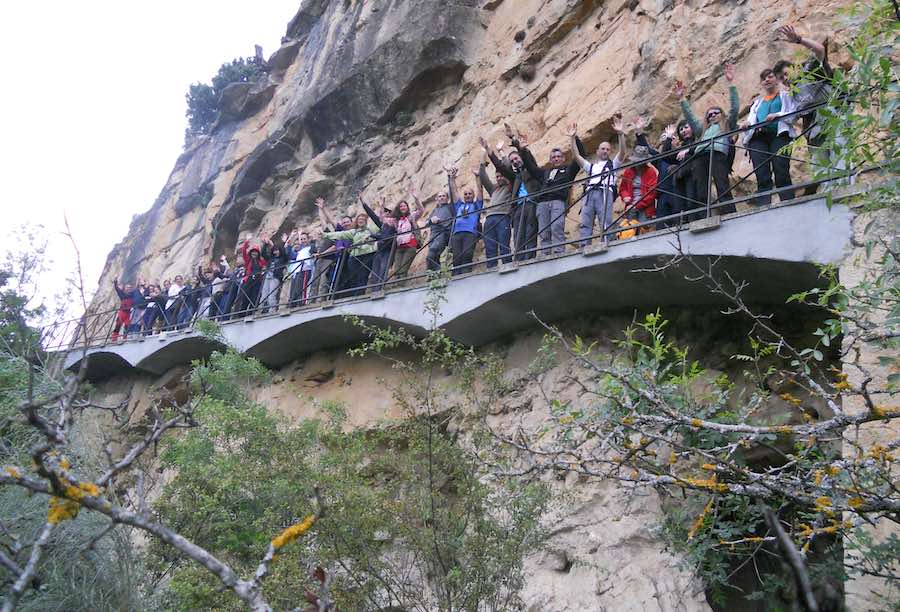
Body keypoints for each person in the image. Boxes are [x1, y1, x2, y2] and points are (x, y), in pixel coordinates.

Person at [775, 24, 839, 194]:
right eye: (782, 79)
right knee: (821, 166)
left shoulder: (809, 70)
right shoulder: (791, 95)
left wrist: (799, 40)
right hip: (814, 130)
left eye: (786, 74)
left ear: (794, 68)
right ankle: (827, 196)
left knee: (840, 158)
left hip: (835, 119)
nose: (785, 80)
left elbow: (819, 50)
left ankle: (846, 192)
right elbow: (791, 116)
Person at [675, 61, 739, 214]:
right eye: (709, 115)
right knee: (701, 190)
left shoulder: (726, 124)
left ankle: (731, 214)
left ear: (721, 115)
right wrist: (682, 98)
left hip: (717, 154)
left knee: (722, 185)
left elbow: (735, 109)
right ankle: (705, 217)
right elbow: (690, 117)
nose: (711, 116)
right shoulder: (702, 129)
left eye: (715, 113)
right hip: (700, 156)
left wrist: (731, 83)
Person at [513, 130, 581, 256]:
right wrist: (522, 151)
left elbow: (579, 157)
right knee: (544, 231)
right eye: (553, 157)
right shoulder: (544, 173)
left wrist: (575, 138)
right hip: (542, 203)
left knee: (557, 227)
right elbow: (530, 167)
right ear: (550, 160)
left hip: (557, 201)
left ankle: (558, 251)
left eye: (558, 156)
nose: (556, 159)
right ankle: (545, 254)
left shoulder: (568, 171)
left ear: (563, 158)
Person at [742, 67, 798, 205]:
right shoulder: (757, 103)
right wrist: (746, 123)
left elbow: (793, 115)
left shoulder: (785, 95)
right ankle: (763, 206)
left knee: (781, 169)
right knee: (761, 173)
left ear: (777, 79)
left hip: (780, 135)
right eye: (763, 78)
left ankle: (788, 202)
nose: (766, 80)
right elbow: (752, 119)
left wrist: (777, 115)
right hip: (758, 137)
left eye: (770, 77)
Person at [487, 125, 543, 260]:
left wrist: (514, 140)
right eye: (512, 161)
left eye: (516, 159)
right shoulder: (515, 176)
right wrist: (489, 151)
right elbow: (500, 167)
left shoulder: (532, 170)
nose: (515, 161)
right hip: (518, 207)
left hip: (531, 203)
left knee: (530, 233)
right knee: (518, 234)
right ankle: (518, 260)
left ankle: (529, 259)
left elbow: (529, 159)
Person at [568, 118, 628, 244]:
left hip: (605, 192)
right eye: (603, 149)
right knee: (586, 221)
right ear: (597, 151)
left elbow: (622, 152)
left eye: (607, 149)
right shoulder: (592, 167)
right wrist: (572, 138)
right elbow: (576, 156)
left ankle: (607, 243)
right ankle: (584, 245)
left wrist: (621, 134)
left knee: (605, 220)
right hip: (589, 194)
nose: (605, 151)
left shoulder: (613, 164)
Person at [322, 210, 377, 297]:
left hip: (362, 255)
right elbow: (337, 236)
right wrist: (324, 235)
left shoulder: (369, 230)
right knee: (349, 278)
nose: (345, 224)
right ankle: (346, 296)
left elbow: (378, 224)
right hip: (348, 258)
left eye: (347, 222)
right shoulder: (351, 232)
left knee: (362, 276)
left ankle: (359, 295)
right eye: (359, 219)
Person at [476, 145, 513, 267]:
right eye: (497, 176)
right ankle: (491, 269)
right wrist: (482, 155)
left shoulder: (510, 186)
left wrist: (501, 152)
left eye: (501, 175)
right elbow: (482, 175)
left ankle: (507, 266)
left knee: (503, 245)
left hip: (503, 217)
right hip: (489, 219)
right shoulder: (493, 189)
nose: (499, 178)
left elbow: (506, 167)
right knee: (490, 247)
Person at [447, 165, 484, 275]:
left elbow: (480, 191)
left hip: (470, 233)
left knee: (467, 254)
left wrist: (478, 177)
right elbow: (454, 192)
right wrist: (452, 179)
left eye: (469, 194)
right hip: (457, 233)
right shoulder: (459, 205)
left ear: (473, 196)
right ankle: (456, 276)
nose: (467, 195)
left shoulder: (477, 205)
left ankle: (466, 274)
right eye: (466, 194)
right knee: (456, 256)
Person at [315, 198, 353, 299]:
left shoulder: (354, 231)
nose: (345, 224)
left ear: (352, 223)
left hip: (349, 258)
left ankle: (344, 296)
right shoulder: (340, 231)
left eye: (347, 222)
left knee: (346, 278)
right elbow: (331, 220)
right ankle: (334, 297)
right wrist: (323, 208)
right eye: (344, 222)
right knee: (334, 278)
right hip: (339, 258)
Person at [359, 193, 398, 290]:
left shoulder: (394, 224)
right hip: (380, 249)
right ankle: (374, 291)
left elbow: (387, 237)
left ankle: (378, 291)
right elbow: (372, 215)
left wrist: (372, 235)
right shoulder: (383, 225)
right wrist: (363, 202)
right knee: (375, 273)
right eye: (385, 212)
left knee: (383, 271)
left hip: (388, 250)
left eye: (388, 212)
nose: (386, 213)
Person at [619, 145, 659, 231]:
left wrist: (636, 205)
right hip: (630, 205)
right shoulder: (628, 171)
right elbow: (623, 188)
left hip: (645, 207)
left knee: (643, 230)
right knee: (629, 231)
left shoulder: (650, 172)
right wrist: (625, 196)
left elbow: (652, 193)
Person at [389, 185, 424, 280]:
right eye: (401, 206)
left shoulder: (411, 216)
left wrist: (416, 198)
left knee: (403, 268)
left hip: (410, 245)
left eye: (404, 206)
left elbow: (421, 210)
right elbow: (382, 220)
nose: (403, 207)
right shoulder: (396, 220)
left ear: (407, 207)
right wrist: (382, 208)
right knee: (396, 270)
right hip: (399, 247)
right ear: (398, 208)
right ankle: (397, 287)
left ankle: (401, 285)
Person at [233, 237, 267, 315]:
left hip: (257, 281)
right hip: (249, 280)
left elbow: (265, 263)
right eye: (253, 252)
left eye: (256, 252)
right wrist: (246, 241)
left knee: (254, 297)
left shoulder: (261, 261)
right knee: (245, 297)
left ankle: (250, 313)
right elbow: (244, 252)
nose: (254, 253)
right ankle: (241, 313)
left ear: (258, 253)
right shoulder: (249, 260)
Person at [425, 187, 456, 272]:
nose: (442, 197)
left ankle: (436, 272)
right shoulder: (435, 210)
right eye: (440, 196)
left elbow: (453, 194)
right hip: (433, 235)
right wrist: (431, 220)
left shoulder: (450, 207)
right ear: (437, 199)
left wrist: (450, 178)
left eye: (443, 196)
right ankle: (435, 275)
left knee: (431, 254)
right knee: (433, 257)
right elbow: (426, 222)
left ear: (447, 198)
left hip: (443, 233)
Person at [287, 230, 317, 305]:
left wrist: (312, 240)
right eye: (301, 239)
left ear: (308, 239)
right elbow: (291, 255)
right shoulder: (300, 250)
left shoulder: (310, 247)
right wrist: (289, 244)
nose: (303, 241)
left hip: (305, 270)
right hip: (296, 271)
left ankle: (302, 304)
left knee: (301, 289)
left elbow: (314, 250)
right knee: (294, 290)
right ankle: (292, 305)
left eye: (304, 239)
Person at [261, 235, 290, 311]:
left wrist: (283, 242)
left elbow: (285, 254)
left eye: (277, 250)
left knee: (272, 295)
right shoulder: (271, 258)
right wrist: (266, 244)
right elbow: (263, 253)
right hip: (268, 276)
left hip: (275, 277)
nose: (275, 252)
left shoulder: (283, 258)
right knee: (264, 295)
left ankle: (272, 310)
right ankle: (263, 310)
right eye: (274, 250)